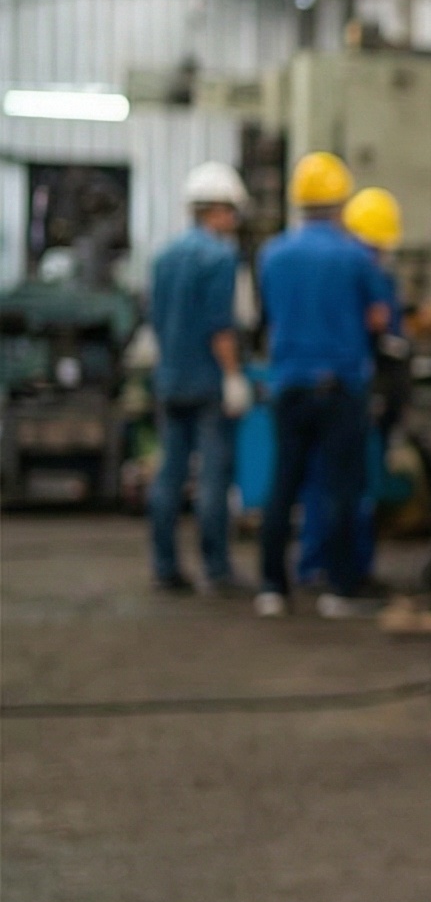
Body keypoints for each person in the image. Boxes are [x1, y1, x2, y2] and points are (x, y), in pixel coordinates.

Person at [253, 151, 396, 619]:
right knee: (339, 488)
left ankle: (273, 587)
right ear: (340, 202)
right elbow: (378, 318)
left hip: (288, 383)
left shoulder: (272, 255)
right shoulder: (355, 256)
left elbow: (267, 317)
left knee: (283, 485)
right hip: (340, 386)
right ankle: (338, 588)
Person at [145, 161, 254, 594]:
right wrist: (233, 376)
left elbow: (155, 317)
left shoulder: (165, 256)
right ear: (220, 210)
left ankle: (165, 565)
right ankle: (217, 569)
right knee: (212, 478)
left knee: (169, 475)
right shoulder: (221, 256)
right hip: (208, 383)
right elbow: (219, 327)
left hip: (170, 379)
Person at [300, 186, 407, 593]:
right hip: (355, 389)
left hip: (309, 383)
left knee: (317, 480)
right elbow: (383, 328)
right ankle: (351, 569)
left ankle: (313, 564)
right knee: (353, 486)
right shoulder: (368, 272)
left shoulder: (322, 264)